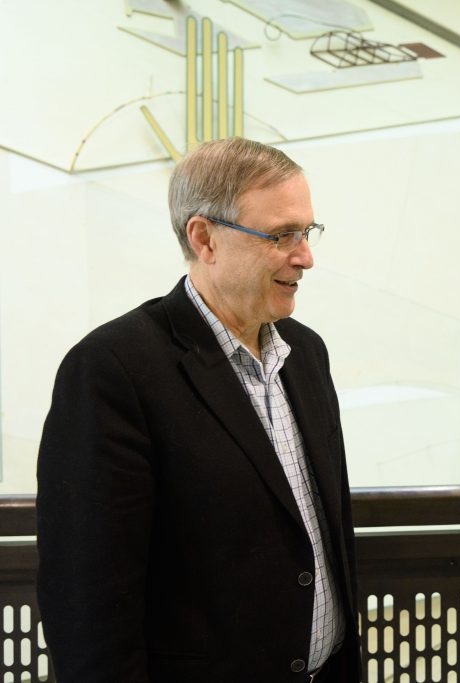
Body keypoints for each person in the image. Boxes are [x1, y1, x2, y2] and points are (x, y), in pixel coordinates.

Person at [36, 138, 361, 682]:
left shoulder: (305, 353)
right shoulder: (113, 369)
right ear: (205, 237)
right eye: (282, 235)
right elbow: (86, 600)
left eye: (307, 232)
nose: (305, 255)